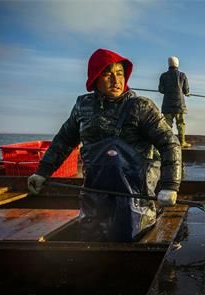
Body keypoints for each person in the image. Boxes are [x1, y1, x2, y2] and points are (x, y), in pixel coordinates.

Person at [27, 48, 182, 242]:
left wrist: (170, 186)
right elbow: (64, 141)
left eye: (120, 73)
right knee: (91, 242)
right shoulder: (83, 106)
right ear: (94, 78)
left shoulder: (141, 106)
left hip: (136, 196)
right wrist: (42, 172)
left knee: (133, 240)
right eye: (107, 74)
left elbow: (169, 143)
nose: (116, 80)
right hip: (95, 194)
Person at [158, 56, 192, 148]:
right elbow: (186, 90)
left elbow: (161, 90)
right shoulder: (182, 75)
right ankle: (182, 142)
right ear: (177, 64)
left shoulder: (163, 76)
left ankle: (168, 143)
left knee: (167, 124)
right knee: (180, 124)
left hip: (167, 105)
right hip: (179, 105)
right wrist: (187, 93)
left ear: (169, 64)